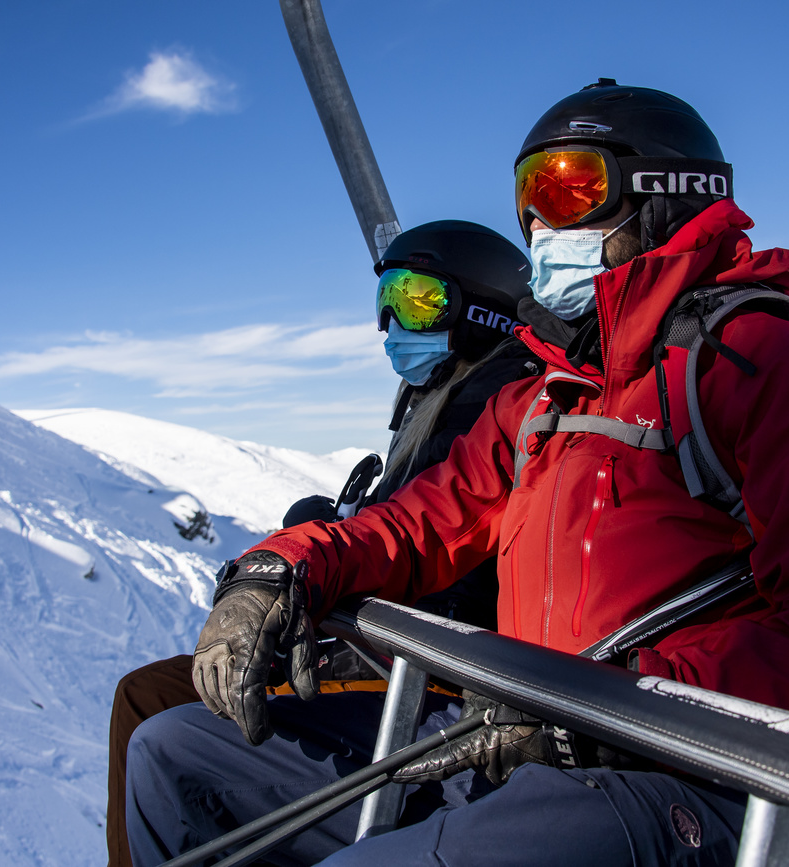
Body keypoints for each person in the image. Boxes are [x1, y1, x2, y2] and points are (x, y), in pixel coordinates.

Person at [125, 80, 789, 867]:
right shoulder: (542, 399)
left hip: (685, 779)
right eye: (527, 197)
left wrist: (611, 705)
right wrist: (286, 564)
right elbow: (414, 523)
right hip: (522, 741)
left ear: (666, 193)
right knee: (172, 755)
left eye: (570, 188)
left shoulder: (768, 367)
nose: (539, 223)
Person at [103, 220, 538, 867]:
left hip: (423, 670)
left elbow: (449, 564)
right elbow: (406, 517)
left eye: (419, 298)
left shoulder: (495, 398)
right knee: (146, 697)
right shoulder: (435, 395)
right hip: (379, 642)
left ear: (483, 307)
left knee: (155, 711)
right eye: (387, 297)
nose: (394, 318)